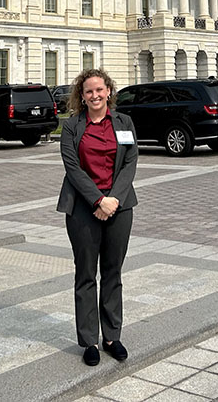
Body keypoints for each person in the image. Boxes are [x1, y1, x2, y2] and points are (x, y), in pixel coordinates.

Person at [57, 68, 138, 366]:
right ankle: (89, 340)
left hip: (119, 205)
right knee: (86, 274)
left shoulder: (123, 122)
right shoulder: (71, 126)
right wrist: (98, 200)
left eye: (99, 90)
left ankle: (111, 336)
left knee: (113, 272)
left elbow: (130, 161)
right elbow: (72, 167)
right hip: (83, 208)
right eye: (89, 91)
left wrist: (113, 199)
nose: (95, 95)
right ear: (82, 95)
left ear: (109, 92)